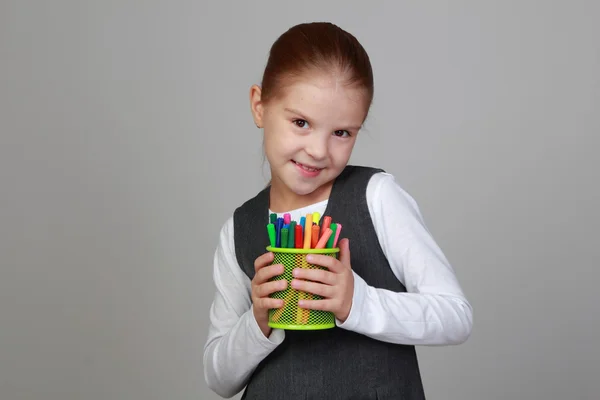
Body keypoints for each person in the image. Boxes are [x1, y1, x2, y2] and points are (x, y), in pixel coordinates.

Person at [203, 22, 473, 400]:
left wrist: (356, 303)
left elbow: (455, 317)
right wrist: (258, 322)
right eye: (301, 123)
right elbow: (218, 378)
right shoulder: (239, 229)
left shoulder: (376, 197)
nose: (318, 149)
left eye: (342, 133)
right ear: (259, 106)